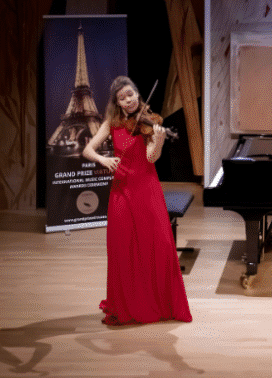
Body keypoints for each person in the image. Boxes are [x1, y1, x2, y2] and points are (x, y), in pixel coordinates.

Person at [82, 76, 192, 325]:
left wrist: (160, 140)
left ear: (137, 94)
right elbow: (88, 150)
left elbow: (151, 158)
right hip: (121, 191)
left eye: (130, 95)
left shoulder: (150, 123)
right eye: (122, 98)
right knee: (124, 248)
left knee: (158, 246)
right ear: (117, 103)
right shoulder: (112, 122)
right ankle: (128, 304)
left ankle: (160, 304)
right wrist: (103, 160)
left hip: (146, 189)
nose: (127, 100)